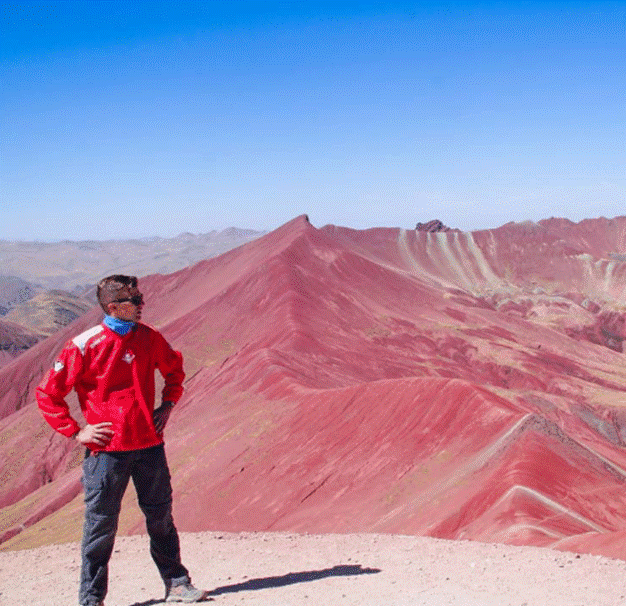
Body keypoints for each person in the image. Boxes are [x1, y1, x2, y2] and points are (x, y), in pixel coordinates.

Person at [36, 275, 206, 605]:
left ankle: (177, 584)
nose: (142, 304)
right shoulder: (84, 345)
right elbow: (48, 393)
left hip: (149, 446)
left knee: (161, 518)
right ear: (114, 307)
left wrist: (169, 403)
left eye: (140, 297)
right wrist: (76, 431)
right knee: (101, 528)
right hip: (106, 453)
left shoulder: (149, 338)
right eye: (135, 300)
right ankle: (92, 599)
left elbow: (175, 370)